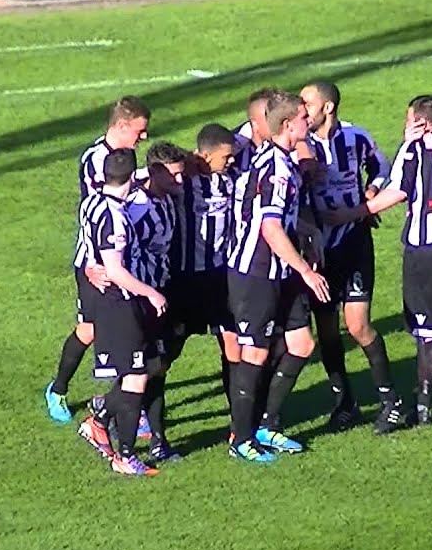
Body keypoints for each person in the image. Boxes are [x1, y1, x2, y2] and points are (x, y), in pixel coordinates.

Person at [333, 95, 432, 432]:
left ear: (421, 122)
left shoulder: (413, 150)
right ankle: (423, 405)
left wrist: (350, 214)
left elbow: (397, 192)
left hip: (424, 252)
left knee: (429, 335)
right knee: (428, 330)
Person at [226, 90, 331, 463]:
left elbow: (281, 217)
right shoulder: (278, 169)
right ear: (289, 125)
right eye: (304, 117)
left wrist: (309, 234)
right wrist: (304, 269)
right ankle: (241, 438)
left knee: (301, 345)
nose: (310, 121)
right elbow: (270, 227)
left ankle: (268, 424)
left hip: (281, 271)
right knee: (254, 354)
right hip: (257, 273)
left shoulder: (278, 159)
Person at [299, 81, 400, 430]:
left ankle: (391, 400)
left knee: (358, 326)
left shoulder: (357, 137)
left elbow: (384, 168)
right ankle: (344, 403)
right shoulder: (300, 144)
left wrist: (368, 195)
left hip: (355, 242)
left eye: (307, 103)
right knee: (326, 329)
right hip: (319, 249)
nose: (302, 110)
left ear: (327, 107)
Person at [43, 96, 151, 423]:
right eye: (139, 131)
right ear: (121, 125)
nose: (143, 137)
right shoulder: (95, 160)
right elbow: (96, 214)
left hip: (119, 258)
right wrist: (91, 265)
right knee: (89, 330)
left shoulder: (126, 157)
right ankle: (58, 389)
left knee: (125, 331)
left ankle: (126, 401)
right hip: (94, 262)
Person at [73, 147, 167, 476]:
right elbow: (114, 269)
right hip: (119, 302)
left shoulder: (92, 201)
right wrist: (150, 292)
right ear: (130, 176)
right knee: (136, 378)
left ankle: (101, 427)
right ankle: (124, 456)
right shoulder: (114, 215)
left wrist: (88, 267)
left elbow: (88, 248)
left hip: (113, 302)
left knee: (142, 371)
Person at [162, 124, 243, 417]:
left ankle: (241, 421)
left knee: (234, 348)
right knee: (165, 355)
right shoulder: (181, 182)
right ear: (205, 155)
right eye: (226, 157)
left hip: (220, 279)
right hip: (183, 281)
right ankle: (122, 408)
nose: (231, 161)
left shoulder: (233, 179)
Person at [126, 142, 186, 463]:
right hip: (140, 300)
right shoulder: (136, 208)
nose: (181, 182)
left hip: (162, 293)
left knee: (159, 368)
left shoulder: (164, 199)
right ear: (156, 172)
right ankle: (104, 413)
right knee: (147, 368)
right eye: (175, 175)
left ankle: (159, 441)